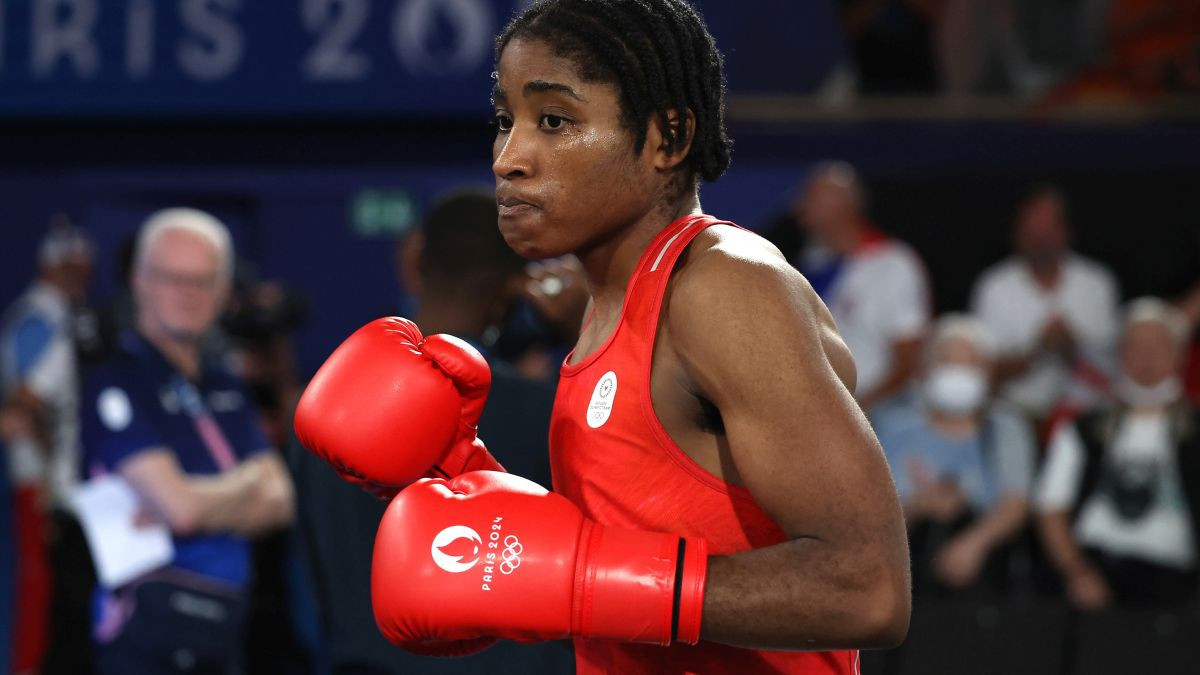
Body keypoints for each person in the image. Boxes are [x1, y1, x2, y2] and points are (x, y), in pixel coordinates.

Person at [295, 2, 911, 673]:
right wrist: (485, 502)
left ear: (666, 137)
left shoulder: (720, 285)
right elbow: (624, 579)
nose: (509, 158)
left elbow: (869, 586)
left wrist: (585, 576)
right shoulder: (603, 318)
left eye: (554, 121)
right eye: (506, 121)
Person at [290, 189, 574, 674]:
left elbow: (309, 592)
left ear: (413, 259)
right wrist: (584, 333)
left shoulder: (321, 410)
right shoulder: (549, 413)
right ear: (514, 290)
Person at [80, 208, 294, 674]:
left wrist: (198, 503)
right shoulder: (118, 382)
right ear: (139, 281)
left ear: (223, 289)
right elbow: (182, 508)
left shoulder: (225, 383)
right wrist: (246, 484)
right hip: (147, 628)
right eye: (171, 278)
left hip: (228, 623)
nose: (187, 295)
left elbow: (280, 500)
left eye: (203, 281)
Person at [1034, 298, 1200, 610]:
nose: (1146, 358)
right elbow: (1050, 509)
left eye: (1159, 346)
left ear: (1179, 355)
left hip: (1175, 579)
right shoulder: (1083, 429)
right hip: (1093, 567)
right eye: (1135, 346)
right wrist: (1077, 572)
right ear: (1120, 355)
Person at [874, 314, 1036, 596]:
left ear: (989, 373)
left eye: (971, 363)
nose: (958, 372)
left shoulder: (1006, 428)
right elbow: (869, 510)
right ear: (925, 369)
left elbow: (1015, 505)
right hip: (900, 576)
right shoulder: (891, 425)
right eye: (947, 361)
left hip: (984, 580)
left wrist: (973, 545)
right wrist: (919, 506)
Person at [0, 221, 93, 675]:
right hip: (38, 476)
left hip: (48, 474)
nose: (81, 279)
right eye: (72, 269)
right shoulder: (43, 315)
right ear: (53, 267)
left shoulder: (52, 313)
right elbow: (23, 401)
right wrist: (49, 473)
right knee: (40, 584)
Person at [970, 185, 1120, 425]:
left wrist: (1072, 343)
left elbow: (1116, 362)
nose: (1040, 237)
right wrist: (1037, 351)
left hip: (1087, 411)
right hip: (1016, 411)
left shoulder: (1096, 283)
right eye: (1032, 228)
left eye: (1047, 227)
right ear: (1016, 232)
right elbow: (982, 372)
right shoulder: (994, 287)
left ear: (1066, 231)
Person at [796, 161, 931, 412]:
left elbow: (909, 359)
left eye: (811, 197)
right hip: (820, 414)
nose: (800, 207)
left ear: (842, 204)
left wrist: (861, 410)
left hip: (879, 415)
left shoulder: (893, 264)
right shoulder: (810, 265)